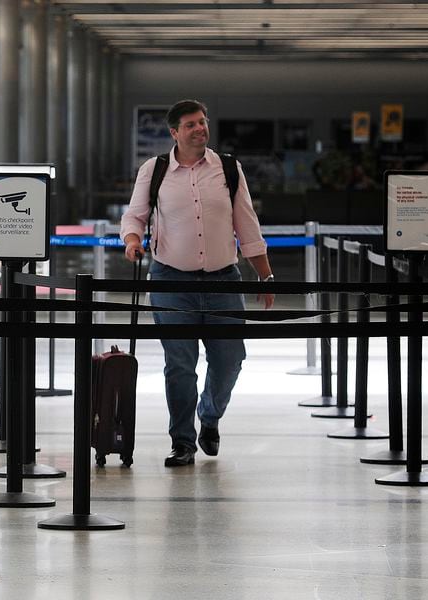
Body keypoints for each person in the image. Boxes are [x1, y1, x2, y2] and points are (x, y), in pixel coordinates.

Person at [120, 99, 274, 467]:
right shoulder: (154, 170)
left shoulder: (229, 169)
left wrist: (265, 275)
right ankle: (183, 441)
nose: (199, 128)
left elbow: (247, 226)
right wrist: (132, 239)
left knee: (230, 359)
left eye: (202, 122)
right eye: (190, 124)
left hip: (224, 281)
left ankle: (210, 415)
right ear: (174, 132)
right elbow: (135, 213)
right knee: (180, 365)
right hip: (171, 281)